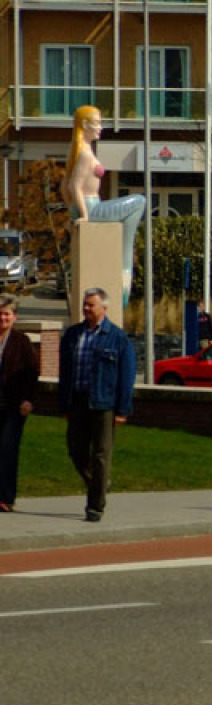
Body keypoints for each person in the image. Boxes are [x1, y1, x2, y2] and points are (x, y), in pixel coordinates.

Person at [58, 287, 136, 522]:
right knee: (76, 450)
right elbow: (65, 373)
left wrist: (123, 410)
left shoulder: (117, 338)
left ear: (104, 307)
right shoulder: (72, 335)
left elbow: (127, 376)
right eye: (85, 304)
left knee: (101, 454)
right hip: (78, 401)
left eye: (91, 305)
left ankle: (95, 506)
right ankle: (100, 484)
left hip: (103, 403)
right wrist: (64, 405)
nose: (86, 309)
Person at [61, 105, 146, 309]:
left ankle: (125, 262)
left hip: (88, 206)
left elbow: (65, 187)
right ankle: (125, 263)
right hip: (91, 207)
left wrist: (70, 210)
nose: (101, 127)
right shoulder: (85, 154)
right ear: (84, 125)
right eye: (97, 123)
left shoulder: (78, 151)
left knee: (133, 209)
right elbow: (74, 185)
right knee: (139, 202)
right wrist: (83, 214)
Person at [0, 294, 39, 512]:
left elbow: (32, 373)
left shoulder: (21, 342)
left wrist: (28, 399)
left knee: (7, 449)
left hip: (14, 405)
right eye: (0, 314)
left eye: (7, 314)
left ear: (14, 317)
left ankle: (6, 497)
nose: (2, 318)